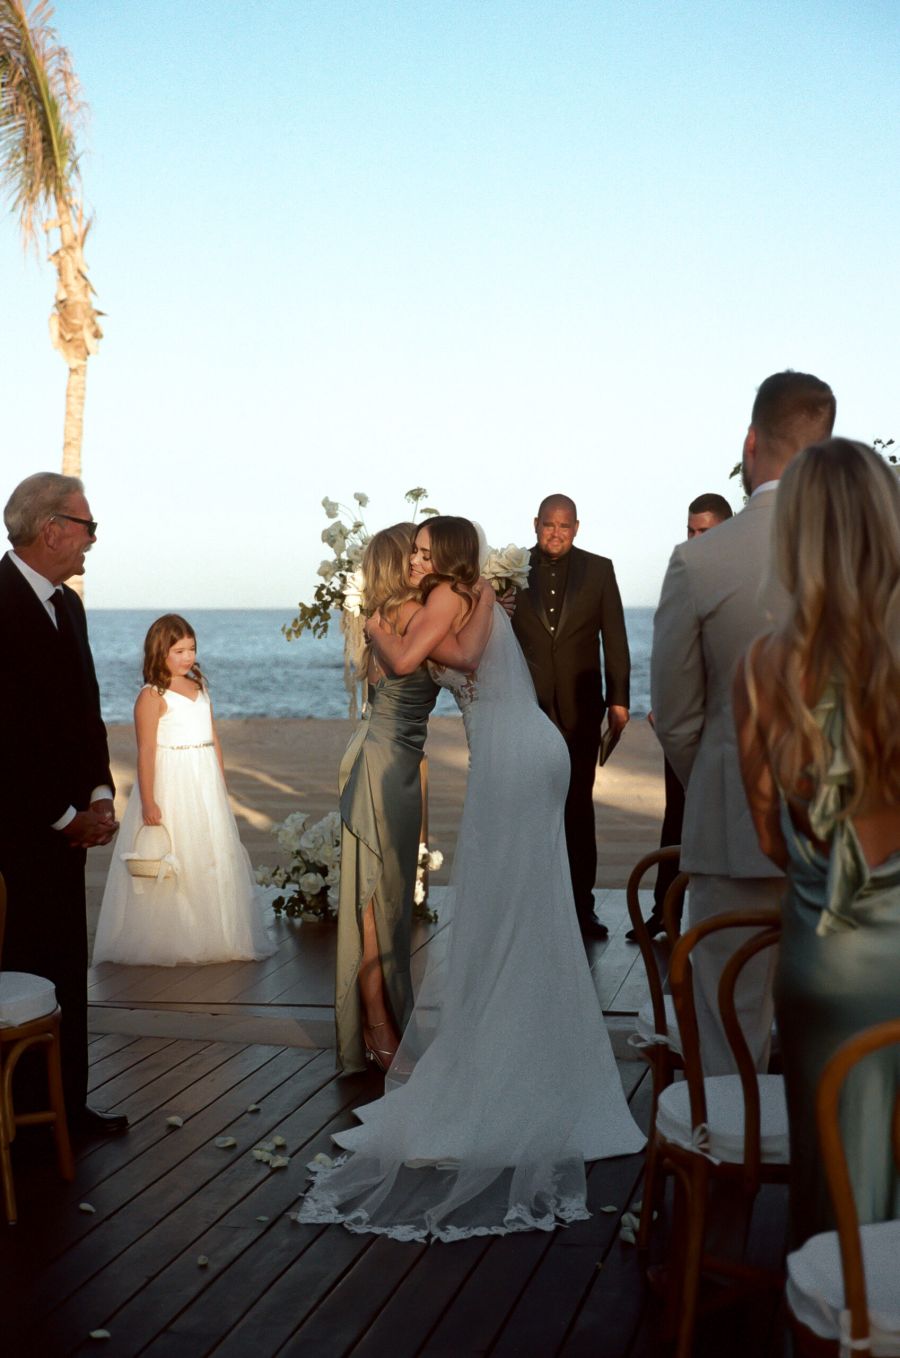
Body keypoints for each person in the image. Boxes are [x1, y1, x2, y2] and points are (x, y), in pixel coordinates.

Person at [298, 516, 645, 1242]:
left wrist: (370, 624)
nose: (417, 558)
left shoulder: (448, 597)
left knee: (500, 914)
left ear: (446, 555)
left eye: (425, 550)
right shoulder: (480, 592)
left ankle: (504, 1063)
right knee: (532, 912)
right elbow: (458, 654)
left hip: (513, 762)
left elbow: (402, 661)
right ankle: (541, 1058)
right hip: (536, 751)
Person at [735, 439, 900, 1245]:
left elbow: (774, 838)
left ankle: (845, 1314)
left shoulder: (764, 668)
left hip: (824, 965)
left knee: (835, 1192)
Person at [651, 371, 836, 1075]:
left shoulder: (700, 559)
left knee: (730, 1041)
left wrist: (726, 782)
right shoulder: (873, 552)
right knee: (842, 1046)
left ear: (751, 441)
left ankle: (725, 1176)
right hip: (852, 842)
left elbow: (676, 715)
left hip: (732, 836)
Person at [335, 523, 495, 1074]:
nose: (419, 564)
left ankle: (389, 1020)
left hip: (395, 764)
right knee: (376, 905)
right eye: (413, 554)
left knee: (390, 900)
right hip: (382, 768)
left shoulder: (390, 617)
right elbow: (460, 658)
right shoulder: (399, 618)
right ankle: (379, 1027)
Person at [0, 473, 126, 1136]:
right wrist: (61, 816)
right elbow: (6, 740)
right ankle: (20, 1123)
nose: (91, 542)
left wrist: (99, 796)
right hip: (15, 839)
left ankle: (67, 1110)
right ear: (51, 530)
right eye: (87, 527)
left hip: (69, 831)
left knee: (65, 974)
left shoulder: (68, 608)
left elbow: (86, 713)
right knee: (22, 968)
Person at [93, 614, 276, 965]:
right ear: (160, 653)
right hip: (173, 780)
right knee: (177, 854)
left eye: (191, 649)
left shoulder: (199, 687)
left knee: (210, 852)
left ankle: (217, 932)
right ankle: (179, 935)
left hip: (203, 775)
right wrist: (148, 799)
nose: (187, 657)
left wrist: (220, 784)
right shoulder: (152, 695)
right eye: (178, 651)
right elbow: (145, 751)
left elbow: (213, 738)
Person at [511, 494, 630, 942]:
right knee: (531, 810)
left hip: (582, 712)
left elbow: (614, 638)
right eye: (548, 525)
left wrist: (619, 701)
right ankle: (535, 908)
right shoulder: (511, 569)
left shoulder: (600, 570)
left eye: (564, 526)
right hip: (526, 709)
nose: (555, 533)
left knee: (578, 809)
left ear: (576, 527)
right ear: (535, 524)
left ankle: (583, 909)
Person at [628, 492, 734, 941]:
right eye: (689, 530)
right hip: (685, 727)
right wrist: (664, 708)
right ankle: (663, 913)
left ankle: (718, 920)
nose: (693, 539)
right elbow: (670, 653)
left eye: (704, 532)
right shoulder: (684, 578)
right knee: (677, 819)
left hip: (730, 728)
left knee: (723, 824)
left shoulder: (745, 580)